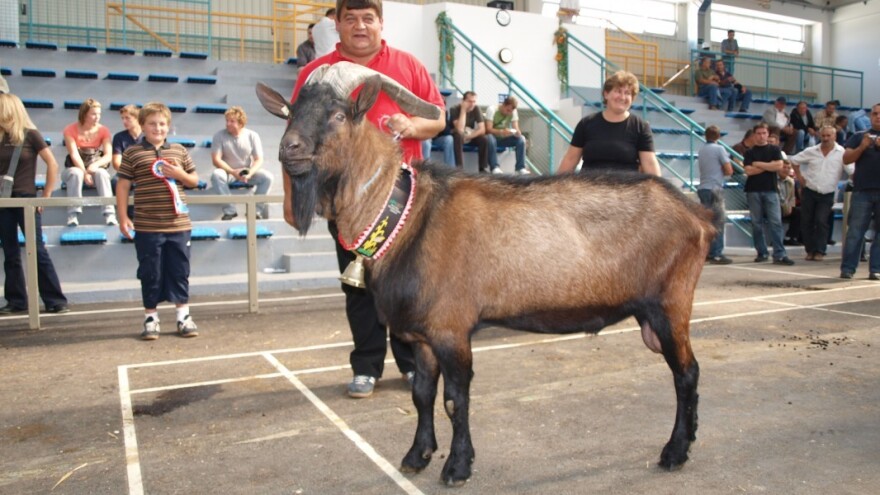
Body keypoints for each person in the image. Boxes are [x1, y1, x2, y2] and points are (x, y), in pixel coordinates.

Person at [289, 0, 445, 398]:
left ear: (380, 23)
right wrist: (293, 198)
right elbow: (297, 136)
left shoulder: (408, 66)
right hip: (345, 203)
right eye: (351, 18)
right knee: (357, 285)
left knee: (409, 284)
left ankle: (410, 363)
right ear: (337, 24)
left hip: (404, 200)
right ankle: (366, 365)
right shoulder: (315, 73)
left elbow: (438, 118)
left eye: (368, 18)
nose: (360, 26)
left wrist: (412, 124)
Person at [116, 102, 201, 340]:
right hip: (146, 226)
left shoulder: (179, 150)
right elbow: (123, 186)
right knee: (149, 272)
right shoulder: (132, 153)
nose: (158, 128)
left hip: (179, 225)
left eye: (162, 124)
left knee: (180, 271)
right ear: (142, 125)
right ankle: (151, 318)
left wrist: (179, 174)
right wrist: (122, 216)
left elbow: (194, 180)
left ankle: (183, 316)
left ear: (168, 126)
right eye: (152, 123)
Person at [0, 93, 69, 315]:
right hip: (3, 201)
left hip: (26, 199)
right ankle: (16, 300)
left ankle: (54, 299)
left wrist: (45, 195)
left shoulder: (30, 135)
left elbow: (52, 163)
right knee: (10, 252)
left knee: (37, 250)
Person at [557, 70, 661, 176]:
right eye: (618, 91)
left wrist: (660, 191)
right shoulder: (586, 124)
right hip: (589, 189)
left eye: (627, 93)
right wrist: (556, 187)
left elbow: (649, 163)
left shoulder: (641, 127)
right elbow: (570, 159)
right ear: (606, 94)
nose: (622, 97)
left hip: (626, 190)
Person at [789, 125, 850, 261]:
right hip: (810, 190)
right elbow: (794, 160)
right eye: (823, 136)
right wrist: (799, 176)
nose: (826, 138)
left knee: (821, 221)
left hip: (827, 193)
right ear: (819, 136)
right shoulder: (812, 151)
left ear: (834, 136)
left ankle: (820, 251)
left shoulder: (841, 153)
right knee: (806, 222)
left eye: (829, 136)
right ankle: (810, 250)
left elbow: (851, 170)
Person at [210, 106, 274, 220]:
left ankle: (255, 211)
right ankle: (230, 210)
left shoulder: (252, 136)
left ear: (241, 123)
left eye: (232, 121)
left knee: (267, 177)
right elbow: (216, 160)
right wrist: (232, 172)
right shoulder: (219, 135)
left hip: (246, 171)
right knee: (216, 175)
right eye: (227, 121)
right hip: (228, 172)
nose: (227, 124)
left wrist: (249, 172)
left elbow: (259, 159)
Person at [839, 103, 880, 280]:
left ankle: (876, 269)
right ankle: (848, 268)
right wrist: (862, 147)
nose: (878, 116)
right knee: (855, 231)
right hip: (862, 191)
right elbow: (846, 159)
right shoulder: (858, 137)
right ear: (870, 116)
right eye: (875, 113)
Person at [744, 123, 794, 265]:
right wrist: (768, 166)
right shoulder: (749, 152)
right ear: (754, 135)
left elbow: (778, 166)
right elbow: (748, 171)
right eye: (758, 133)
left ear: (768, 134)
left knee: (775, 222)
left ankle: (779, 253)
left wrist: (758, 164)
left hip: (771, 190)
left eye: (764, 133)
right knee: (756, 224)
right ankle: (762, 252)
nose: (761, 136)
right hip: (753, 190)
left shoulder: (774, 149)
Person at [62, 98, 116, 227]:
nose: (97, 117)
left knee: (102, 173)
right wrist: (85, 172)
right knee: (76, 173)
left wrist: (95, 165)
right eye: (93, 114)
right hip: (74, 167)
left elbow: (108, 155)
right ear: (84, 113)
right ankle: (73, 214)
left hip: (94, 164)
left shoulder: (103, 130)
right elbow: (74, 154)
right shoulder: (70, 129)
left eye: (99, 114)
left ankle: (109, 214)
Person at [697, 125, 733, 264]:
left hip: (703, 187)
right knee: (718, 221)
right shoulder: (720, 149)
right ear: (718, 136)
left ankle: (707, 251)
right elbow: (728, 170)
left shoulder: (702, 149)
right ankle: (717, 252)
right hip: (715, 187)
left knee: (707, 222)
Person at [485, 95, 528, 174]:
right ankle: (494, 167)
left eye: (511, 111)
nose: (509, 113)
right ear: (503, 105)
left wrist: (517, 133)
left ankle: (520, 167)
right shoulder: (492, 110)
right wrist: (501, 132)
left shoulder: (513, 112)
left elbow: (516, 128)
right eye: (507, 110)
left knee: (521, 139)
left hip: (503, 138)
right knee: (490, 138)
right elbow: (488, 129)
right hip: (492, 137)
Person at [450, 91, 491, 172]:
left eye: (474, 101)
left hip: (469, 135)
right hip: (457, 135)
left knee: (484, 139)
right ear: (463, 101)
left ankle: (482, 168)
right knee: (458, 136)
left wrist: (469, 136)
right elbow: (460, 129)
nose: (472, 104)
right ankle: (460, 169)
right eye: (469, 101)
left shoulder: (476, 108)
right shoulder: (454, 109)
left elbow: (482, 129)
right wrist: (463, 110)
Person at [111, 104, 142, 172]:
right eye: (122, 118)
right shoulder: (119, 137)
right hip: (126, 172)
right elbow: (116, 163)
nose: (124, 121)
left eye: (127, 118)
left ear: (137, 118)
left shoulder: (148, 136)